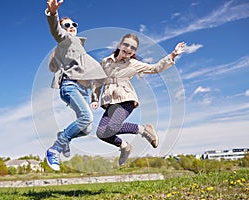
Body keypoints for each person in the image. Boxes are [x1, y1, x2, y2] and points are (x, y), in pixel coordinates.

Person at [91, 34, 185, 166]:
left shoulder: (133, 64)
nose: (129, 48)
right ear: (120, 45)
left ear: (134, 52)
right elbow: (97, 81)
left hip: (125, 98)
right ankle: (124, 146)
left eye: (133, 48)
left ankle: (144, 130)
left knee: (112, 127)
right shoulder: (105, 62)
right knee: (101, 133)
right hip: (110, 101)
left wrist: (173, 55)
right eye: (126, 45)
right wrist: (94, 97)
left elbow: (155, 68)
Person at [45, 0, 107, 171]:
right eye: (67, 25)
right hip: (70, 86)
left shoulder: (77, 46)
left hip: (83, 90)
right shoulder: (65, 40)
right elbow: (56, 32)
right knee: (86, 118)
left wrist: (94, 97)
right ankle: (55, 148)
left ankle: (63, 136)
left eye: (74, 24)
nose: (71, 27)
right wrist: (52, 14)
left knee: (86, 128)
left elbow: (92, 75)